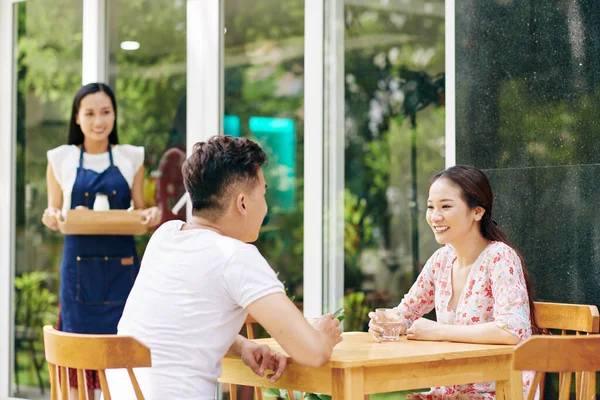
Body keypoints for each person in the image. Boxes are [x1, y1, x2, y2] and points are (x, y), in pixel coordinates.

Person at [106, 135, 342, 400]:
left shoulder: (166, 236)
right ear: (242, 203)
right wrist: (323, 335)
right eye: (263, 195)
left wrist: (241, 345)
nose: (265, 207)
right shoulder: (236, 257)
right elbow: (312, 352)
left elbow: (179, 326)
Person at [368, 165, 539, 399]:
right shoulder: (442, 260)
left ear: (477, 212)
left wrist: (439, 331)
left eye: (446, 206)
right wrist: (387, 323)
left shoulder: (500, 257)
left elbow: (511, 330)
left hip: (500, 391)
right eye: (430, 207)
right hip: (449, 390)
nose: (435, 217)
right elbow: (406, 313)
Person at [41, 82, 161, 396]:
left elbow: (141, 210)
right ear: (77, 118)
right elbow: (53, 211)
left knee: (124, 361)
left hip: (123, 273)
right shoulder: (60, 159)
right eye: (90, 113)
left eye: (106, 112)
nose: (98, 121)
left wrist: (150, 217)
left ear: (115, 116)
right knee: (78, 363)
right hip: (78, 276)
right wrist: (52, 217)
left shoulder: (131, 157)